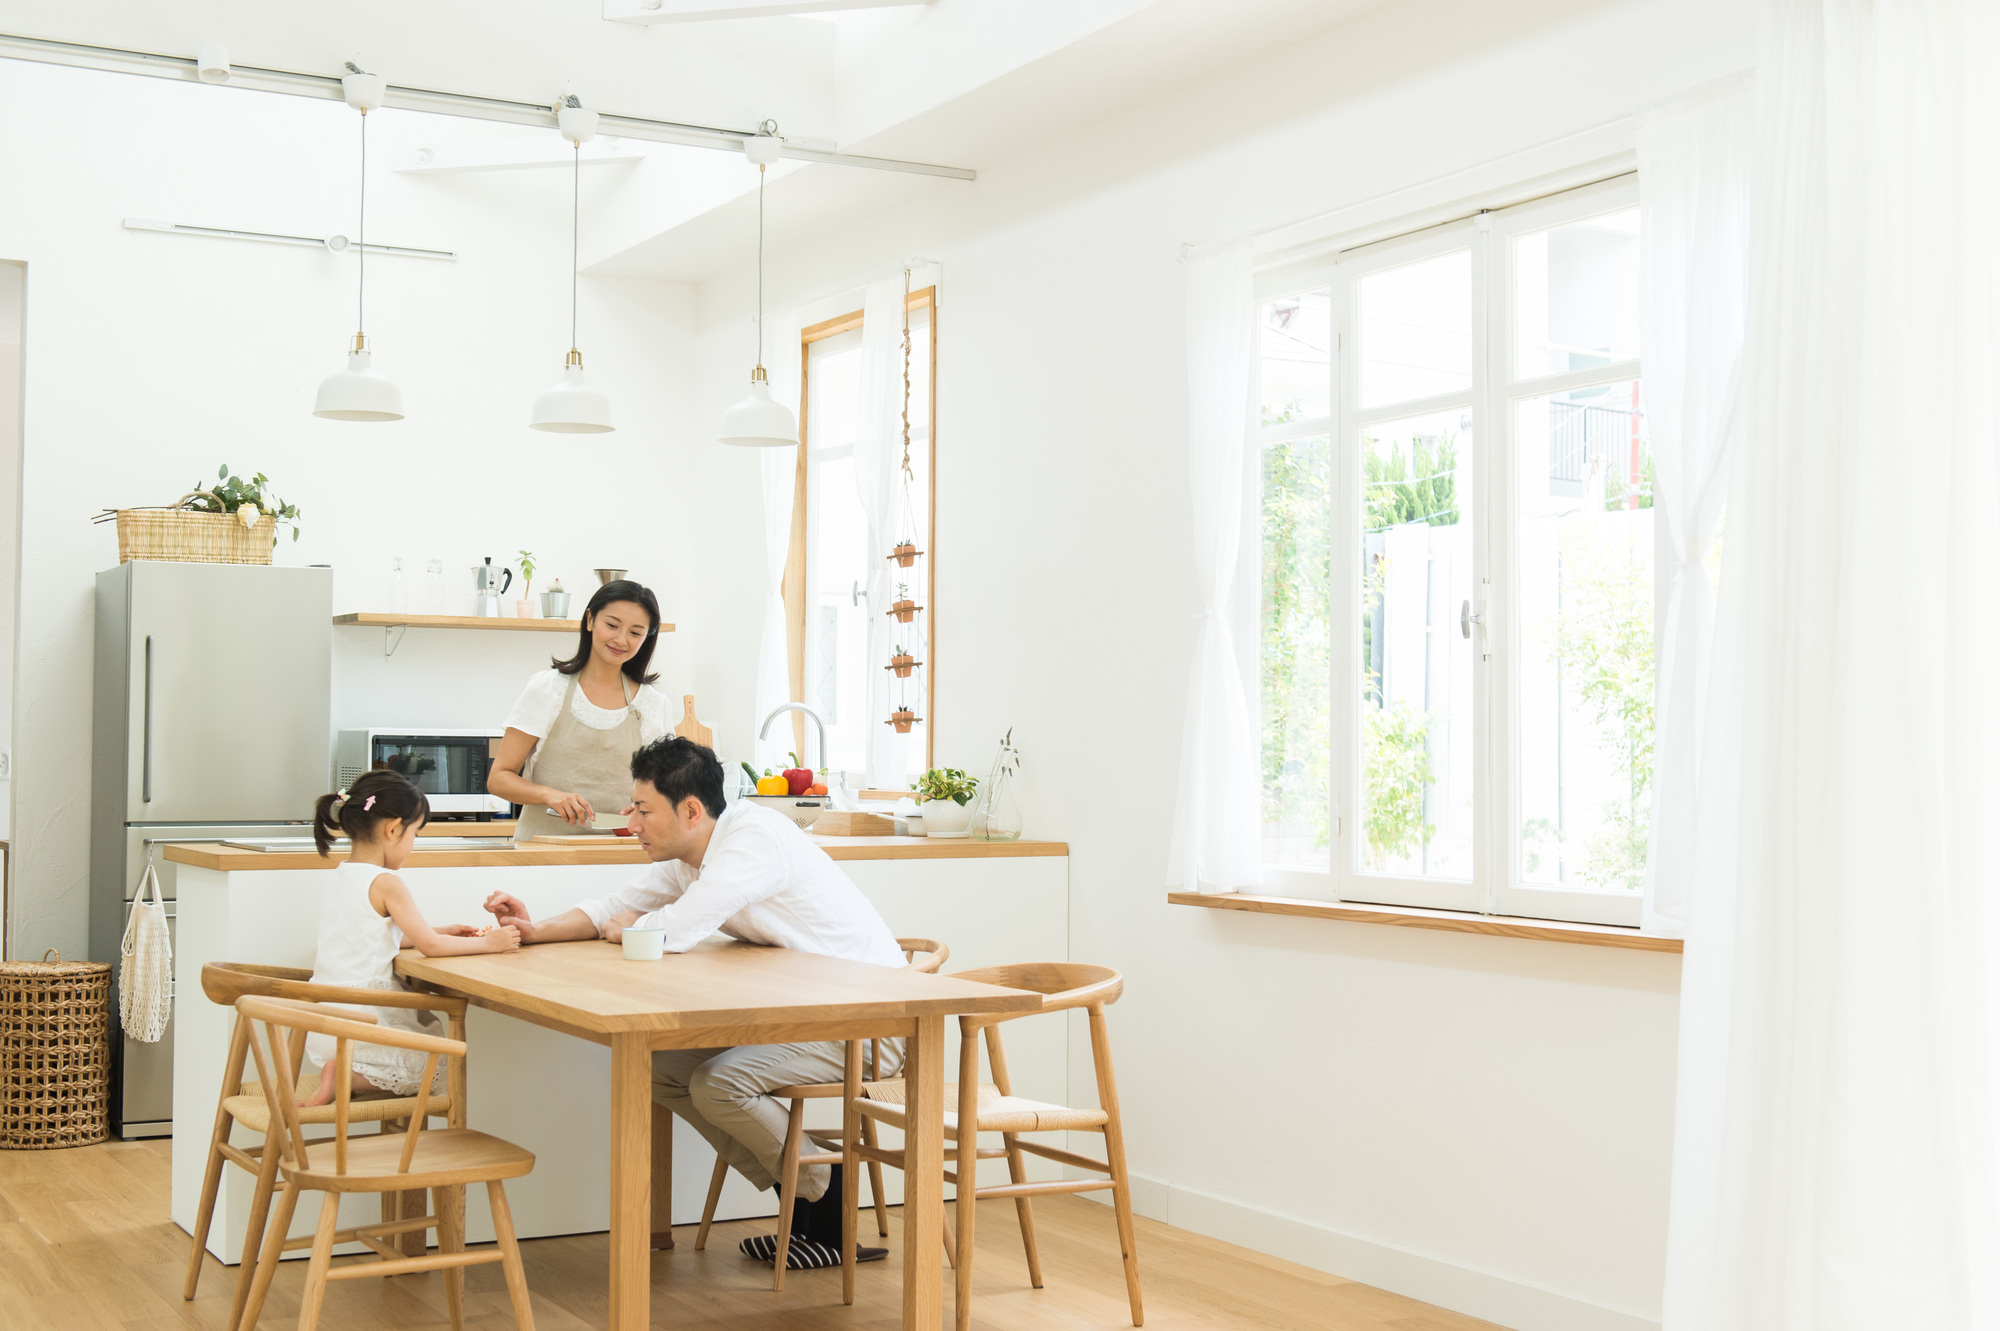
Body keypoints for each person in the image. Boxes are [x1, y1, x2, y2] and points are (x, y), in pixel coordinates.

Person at [480, 736, 905, 1270]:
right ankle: (804, 1193)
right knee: (659, 1070)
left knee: (717, 1083)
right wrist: (535, 930)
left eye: (643, 810)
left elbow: (675, 930)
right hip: (804, 1015)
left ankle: (820, 1187)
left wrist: (633, 927)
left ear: (690, 811)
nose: (632, 823)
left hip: (870, 1023)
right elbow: (616, 907)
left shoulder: (752, 840)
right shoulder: (689, 855)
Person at [300, 770, 520, 1106]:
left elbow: (373, 938)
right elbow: (431, 948)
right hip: (363, 1019)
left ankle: (344, 1071)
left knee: (427, 1058)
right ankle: (350, 1076)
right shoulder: (386, 882)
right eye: (415, 833)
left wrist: (439, 931)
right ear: (393, 829)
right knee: (441, 1064)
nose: (413, 845)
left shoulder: (341, 876)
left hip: (326, 1021)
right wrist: (490, 943)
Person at [487, 579, 671, 841]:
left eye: (635, 632)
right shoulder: (548, 689)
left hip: (621, 852)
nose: (621, 640)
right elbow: (498, 778)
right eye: (612, 625)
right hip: (541, 850)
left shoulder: (652, 703)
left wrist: (645, 807)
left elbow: (664, 788)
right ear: (590, 620)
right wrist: (549, 794)